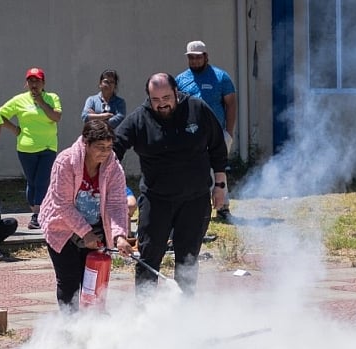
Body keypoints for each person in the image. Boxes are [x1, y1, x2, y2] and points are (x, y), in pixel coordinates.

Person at [112, 73, 227, 296]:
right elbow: (113, 148)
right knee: (149, 257)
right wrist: (114, 185)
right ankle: (144, 314)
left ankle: (184, 315)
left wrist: (220, 185)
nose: (162, 103)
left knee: (188, 258)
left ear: (176, 92)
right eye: (155, 100)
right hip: (156, 200)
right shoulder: (139, 119)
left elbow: (217, 146)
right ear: (149, 98)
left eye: (166, 97)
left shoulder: (197, 109)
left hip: (195, 198)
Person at [39, 120, 133, 312]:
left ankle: (92, 327)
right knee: (69, 281)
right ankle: (69, 328)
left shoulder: (113, 166)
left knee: (94, 281)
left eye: (108, 147)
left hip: (95, 227)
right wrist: (84, 233)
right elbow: (62, 204)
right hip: (61, 227)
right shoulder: (65, 161)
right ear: (86, 143)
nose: (105, 152)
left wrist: (119, 236)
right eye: (100, 147)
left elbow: (117, 204)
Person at [175, 40, 237, 222]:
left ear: (206, 57)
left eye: (198, 57)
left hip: (217, 134)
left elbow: (231, 104)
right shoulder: (180, 80)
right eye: (191, 58)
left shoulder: (221, 77)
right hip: (191, 134)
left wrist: (229, 131)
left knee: (219, 168)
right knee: (195, 171)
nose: (194, 61)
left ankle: (223, 206)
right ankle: (196, 208)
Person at [0, 67, 62, 230]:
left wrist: (41, 102)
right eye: (31, 80)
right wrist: (14, 129)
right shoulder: (19, 100)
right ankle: (36, 212)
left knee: (43, 180)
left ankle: (38, 215)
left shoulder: (52, 97)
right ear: (26, 83)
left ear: (43, 83)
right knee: (32, 182)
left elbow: (56, 117)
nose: (34, 84)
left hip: (48, 146)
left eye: (37, 80)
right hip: (26, 148)